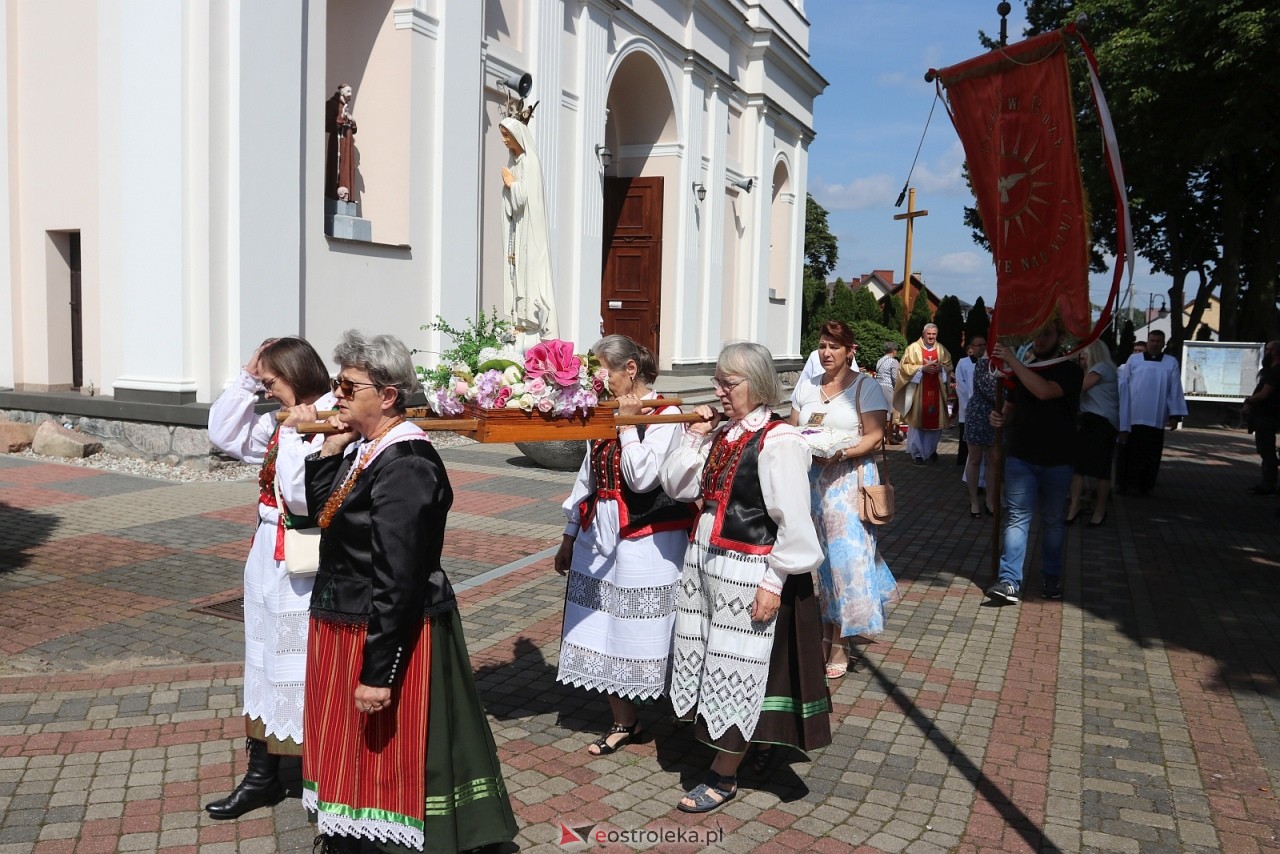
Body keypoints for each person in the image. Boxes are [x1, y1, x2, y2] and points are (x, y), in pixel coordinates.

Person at [302, 331, 517, 854]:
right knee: (355, 743)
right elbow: (319, 514)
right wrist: (329, 448)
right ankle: (354, 831)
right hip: (348, 617)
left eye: (349, 388)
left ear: (389, 395)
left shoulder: (407, 463)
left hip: (388, 627)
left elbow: (398, 576)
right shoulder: (365, 448)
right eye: (337, 385)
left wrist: (378, 673)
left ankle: (405, 839)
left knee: (398, 746)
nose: (337, 397)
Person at [659, 342, 830, 814]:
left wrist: (773, 582)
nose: (719, 390)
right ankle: (743, 747)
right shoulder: (726, 434)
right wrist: (692, 437)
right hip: (706, 559)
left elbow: (794, 522)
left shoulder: (779, 441)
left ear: (756, 384)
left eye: (727, 383)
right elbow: (677, 486)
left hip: (748, 566)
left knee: (737, 664)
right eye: (717, 381)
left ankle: (723, 774)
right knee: (712, 656)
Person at [205, 337, 335, 821]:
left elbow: (302, 497)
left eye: (271, 383)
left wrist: (301, 433)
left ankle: (318, 777)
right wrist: (245, 377)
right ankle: (261, 777)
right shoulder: (284, 421)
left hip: (305, 555)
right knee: (261, 660)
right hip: (266, 552)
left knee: (304, 662)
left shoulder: (327, 417)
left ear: (297, 376)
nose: (267, 392)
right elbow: (223, 435)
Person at [554, 335, 695, 754]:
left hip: (647, 539)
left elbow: (642, 477)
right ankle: (623, 720)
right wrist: (567, 535)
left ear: (630, 369)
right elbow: (588, 475)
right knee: (601, 626)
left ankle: (679, 708)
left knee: (644, 627)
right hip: (598, 534)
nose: (600, 380)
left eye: (605, 371)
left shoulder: (665, 413)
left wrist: (631, 425)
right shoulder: (604, 411)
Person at [789, 322, 899, 679]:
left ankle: (840, 641)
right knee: (817, 560)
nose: (826, 353)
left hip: (848, 480)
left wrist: (841, 452)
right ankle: (823, 631)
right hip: (811, 481)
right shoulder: (806, 387)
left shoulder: (865, 387)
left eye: (834, 347)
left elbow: (875, 436)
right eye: (822, 346)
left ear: (850, 350)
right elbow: (793, 430)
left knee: (844, 559)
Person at [985, 321, 1083, 604]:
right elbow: (1012, 407)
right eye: (1037, 334)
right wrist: (1000, 418)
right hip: (1021, 456)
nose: (1039, 339)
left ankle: (1051, 577)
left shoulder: (1071, 370)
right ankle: (1009, 581)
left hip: (1058, 459)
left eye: (1047, 333)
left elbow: (1044, 391)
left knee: (1053, 521)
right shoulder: (1024, 367)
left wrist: (1014, 362)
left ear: (1060, 337)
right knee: (1017, 518)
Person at [500, 116, 559, 349]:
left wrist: (511, 183)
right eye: (502, 135)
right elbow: (513, 206)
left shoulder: (529, 162)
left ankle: (533, 322)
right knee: (516, 273)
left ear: (518, 136)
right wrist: (510, 185)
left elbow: (523, 199)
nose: (504, 140)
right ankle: (520, 321)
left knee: (531, 277)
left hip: (530, 232)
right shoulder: (515, 162)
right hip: (518, 229)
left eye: (507, 135)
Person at [1117, 329, 1187, 495]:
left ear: (1163, 344)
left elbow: (1175, 388)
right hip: (1133, 415)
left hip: (1156, 417)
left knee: (1151, 453)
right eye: (1152, 340)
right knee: (1129, 452)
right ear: (1147, 342)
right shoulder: (1134, 360)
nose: (1154, 344)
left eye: (1158, 341)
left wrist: (1175, 414)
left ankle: (1145, 485)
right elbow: (1124, 385)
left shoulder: (1171, 362)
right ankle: (1124, 483)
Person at [1066, 340, 1120, 526]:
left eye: (1084, 356)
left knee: (1100, 469)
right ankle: (1075, 506)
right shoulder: (1098, 369)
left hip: (1103, 423)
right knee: (1079, 466)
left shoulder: (1102, 368)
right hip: (1091, 420)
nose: (1081, 360)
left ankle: (1099, 510)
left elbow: (1077, 388)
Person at [894, 323, 954, 463]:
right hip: (919, 392)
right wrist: (921, 369)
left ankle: (932, 449)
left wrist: (942, 369)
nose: (931, 336)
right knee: (917, 424)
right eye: (929, 334)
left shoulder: (941, 349)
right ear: (924, 334)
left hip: (936, 393)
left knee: (936, 425)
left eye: (934, 334)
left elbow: (949, 364)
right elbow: (904, 367)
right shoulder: (913, 348)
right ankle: (918, 453)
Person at [963, 348, 998, 519]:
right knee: (975, 458)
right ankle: (974, 501)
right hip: (978, 414)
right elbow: (991, 390)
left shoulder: (1011, 363)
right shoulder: (983, 363)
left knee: (993, 459)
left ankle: (990, 501)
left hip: (997, 415)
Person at [1242, 340, 1280, 495]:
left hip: (1268, 417)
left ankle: (1268, 484)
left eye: (1268, 349)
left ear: (1275, 352)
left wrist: (1249, 400)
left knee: (1267, 451)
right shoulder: (1271, 370)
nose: (1266, 352)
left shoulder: (1275, 371)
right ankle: (1267, 482)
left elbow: (1265, 393)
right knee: (1266, 451)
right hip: (1267, 416)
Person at [954, 336, 985, 468]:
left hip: (984, 406)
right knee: (965, 433)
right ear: (971, 347)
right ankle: (963, 459)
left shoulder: (988, 362)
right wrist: (970, 403)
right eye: (978, 345)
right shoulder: (963, 362)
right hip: (968, 404)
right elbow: (960, 384)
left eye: (983, 345)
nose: (981, 348)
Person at [875, 342, 903, 442]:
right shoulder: (893, 361)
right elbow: (895, 378)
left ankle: (881, 436)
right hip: (888, 387)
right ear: (893, 351)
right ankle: (889, 437)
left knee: (882, 412)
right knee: (890, 414)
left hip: (878, 387)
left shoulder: (880, 361)